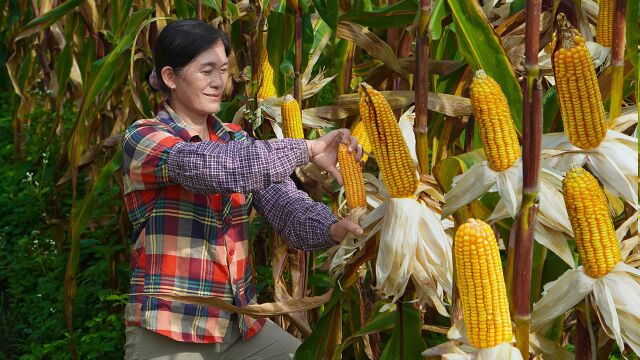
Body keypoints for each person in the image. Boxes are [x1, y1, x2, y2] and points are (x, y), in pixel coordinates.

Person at [121, 19, 364, 359]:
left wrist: (335, 229)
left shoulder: (235, 138)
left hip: (238, 326)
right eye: (206, 71)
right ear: (169, 77)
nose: (219, 82)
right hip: (171, 329)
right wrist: (307, 149)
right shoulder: (146, 138)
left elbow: (288, 209)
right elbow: (219, 168)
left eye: (223, 70)